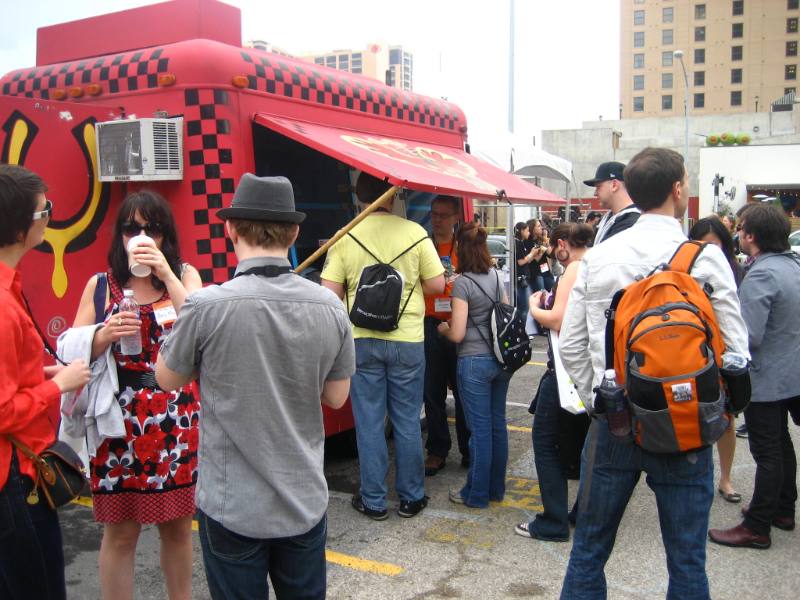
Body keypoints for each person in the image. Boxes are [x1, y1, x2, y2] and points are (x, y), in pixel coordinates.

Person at [558, 148, 749, 599]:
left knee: (589, 548)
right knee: (686, 561)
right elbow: (736, 351)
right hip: (686, 421)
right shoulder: (704, 258)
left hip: (617, 420)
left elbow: (570, 345)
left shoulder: (600, 258)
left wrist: (600, 403)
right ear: (677, 189)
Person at [156, 174, 355, 599]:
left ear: (230, 229)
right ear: (295, 232)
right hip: (302, 499)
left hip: (232, 505)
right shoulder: (330, 307)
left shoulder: (206, 306)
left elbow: (167, 378)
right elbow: (336, 397)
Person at [72, 190, 202, 600]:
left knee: (178, 527)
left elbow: (201, 330)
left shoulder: (185, 275)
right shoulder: (101, 285)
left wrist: (166, 274)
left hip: (175, 417)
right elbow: (70, 349)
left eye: (153, 228)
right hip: (118, 421)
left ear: (166, 235)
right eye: (132, 228)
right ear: (120, 235)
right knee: (121, 531)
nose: (141, 236)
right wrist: (101, 336)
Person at [321, 173, 444, 520]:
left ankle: (373, 499)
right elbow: (435, 285)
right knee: (406, 419)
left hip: (360, 339)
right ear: (392, 197)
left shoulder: (345, 236)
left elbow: (329, 293)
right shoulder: (415, 233)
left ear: (360, 198)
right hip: (407, 339)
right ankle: (411, 497)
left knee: (370, 421)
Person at [0, 164, 91, 600]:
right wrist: (58, 385)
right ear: (22, 228)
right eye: (45, 210)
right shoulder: (2, 303)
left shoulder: (10, 287)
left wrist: (41, 374)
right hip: (14, 479)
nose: (50, 216)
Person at [708, 204, 800, 550]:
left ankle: (757, 525)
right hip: (790, 373)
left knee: (767, 453)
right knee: (781, 444)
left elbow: (749, 335)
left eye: (741, 229)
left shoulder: (761, 274)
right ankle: (782, 509)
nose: (738, 235)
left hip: (767, 378)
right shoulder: (792, 266)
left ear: (751, 236)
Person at [514, 222, 593, 542]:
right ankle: (580, 512)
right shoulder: (596, 263)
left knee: (545, 444)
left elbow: (558, 319)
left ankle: (553, 521)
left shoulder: (574, 268)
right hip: (588, 369)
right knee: (585, 447)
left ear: (563, 244)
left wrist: (534, 306)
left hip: (564, 370)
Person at [437, 222, 512, 508]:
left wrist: (443, 329)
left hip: (473, 363)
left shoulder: (462, 284)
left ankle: (476, 494)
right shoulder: (495, 275)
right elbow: (503, 311)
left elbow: (457, 333)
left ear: (460, 250)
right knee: (497, 427)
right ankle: (495, 489)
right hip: (500, 360)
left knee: (479, 432)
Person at [689, 216, 745, 504]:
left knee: (727, 419)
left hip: (722, 355)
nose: (707, 250)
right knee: (694, 417)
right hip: (693, 353)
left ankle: (725, 478)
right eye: (701, 243)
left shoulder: (734, 272)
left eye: (713, 244)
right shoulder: (685, 268)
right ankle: (698, 478)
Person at [423, 195, 470, 476]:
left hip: (457, 322)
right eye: (434, 213)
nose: (437, 219)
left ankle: (468, 448)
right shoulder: (423, 246)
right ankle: (437, 449)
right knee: (432, 391)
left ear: (455, 217)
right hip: (429, 323)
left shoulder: (463, 248)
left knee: (463, 390)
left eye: (443, 214)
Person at [583, 161, 640, 245]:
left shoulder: (632, 222)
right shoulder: (610, 217)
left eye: (598, 187)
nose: (595, 193)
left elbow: (604, 256)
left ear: (614, 185)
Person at [513, 221, 540, 318]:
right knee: (525, 307)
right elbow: (521, 262)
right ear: (521, 231)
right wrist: (532, 254)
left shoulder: (520, 242)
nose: (529, 233)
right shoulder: (517, 243)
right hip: (520, 279)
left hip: (523, 277)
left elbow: (526, 260)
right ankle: (523, 330)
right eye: (527, 231)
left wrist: (534, 254)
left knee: (523, 306)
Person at [527, 218, 554, 291]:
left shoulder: (541, 239)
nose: (541, 228)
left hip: (546, 271)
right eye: (538, 226)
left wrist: (545, 239)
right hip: (536, 273)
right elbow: (535, 260)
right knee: (541, 294)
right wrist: (542, 249)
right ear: (533, 229)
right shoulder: (528, 241)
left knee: (553, 291)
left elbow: (550, 254)